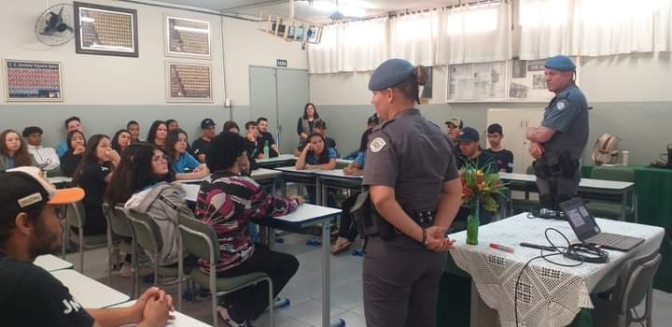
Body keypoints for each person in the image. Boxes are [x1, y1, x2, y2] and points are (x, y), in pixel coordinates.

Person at [0, 166, 173, 327]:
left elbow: (68, 316)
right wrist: (152, 322)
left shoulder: (14, 276)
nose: (63, 221)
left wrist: (132, 313)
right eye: (56, 212)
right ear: (25, 224)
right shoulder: (28, 281)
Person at [362, 59, 462, 327]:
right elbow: (454, 191)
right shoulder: (438, 135)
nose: (373, 101)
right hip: (431, 254)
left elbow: (382, 198)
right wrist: (436, 231)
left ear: (390, 94)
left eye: (375, 93)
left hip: (395, 250)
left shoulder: (385, 136)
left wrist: (421, 236)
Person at [195, 132, 303, 326]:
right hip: (229, 260)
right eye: (245, 153)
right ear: (238, 156)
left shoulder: (208, 181)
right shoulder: (243, 184)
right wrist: (294, 200)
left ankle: (232, 301)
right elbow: (274, 207)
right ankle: (239, 313)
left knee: (264, 251)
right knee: (288, 263)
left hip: (207, 257)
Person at [105, 143, 196, 270]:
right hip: (176, 254)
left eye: (164, 157)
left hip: (154, 251)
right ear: (144, 165)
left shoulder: (137, 194)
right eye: (156, 159)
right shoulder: (164, 193)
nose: (163, 161)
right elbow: (190, 223)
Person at [526, 55, 589, 210]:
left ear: (568, 75)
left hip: (562, 174)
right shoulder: (560, 98)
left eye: (552, 74)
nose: (547, 78)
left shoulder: (570, 98)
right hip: (548, 171)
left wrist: (529, 133)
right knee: (547, 216)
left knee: (562, 220)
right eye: (546, 74)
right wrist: (535, 141)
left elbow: (542, 134)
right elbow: (542, 133)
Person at [72, 134, 121, 236]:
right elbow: (122, 180)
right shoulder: (94, 168)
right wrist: (117, 159)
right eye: (103, 146)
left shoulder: (90, 165)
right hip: (96, 220)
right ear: (93, 149)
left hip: (92, 216)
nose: (108, 149)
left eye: (110, 146)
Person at [331, 151, 367, 255]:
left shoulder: (385, 152)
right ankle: (343, 237)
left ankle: (348, 238)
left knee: (360, 208)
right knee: (347, 204)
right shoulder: (366, 153)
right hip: (365, 191)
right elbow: (352, 165)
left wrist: (361, 172)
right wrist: (349, 169)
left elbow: (381, 172)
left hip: (381, 191)